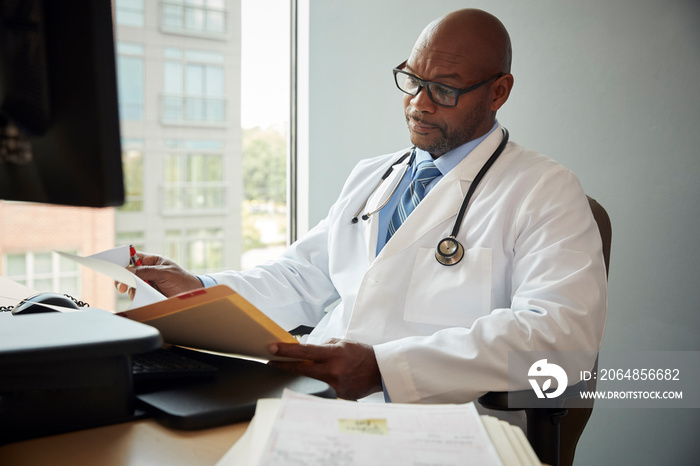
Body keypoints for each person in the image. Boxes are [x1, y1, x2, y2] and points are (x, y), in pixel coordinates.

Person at [120, 9, 607, 403]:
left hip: (439, 426)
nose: (418, 103)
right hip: (311, 395)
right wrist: (200, 288)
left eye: (444, 89)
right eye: (411, 80)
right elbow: (301, 275)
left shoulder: (544, 190)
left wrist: (385, 368)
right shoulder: (374, 175)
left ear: (499, 91)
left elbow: (562, 339)